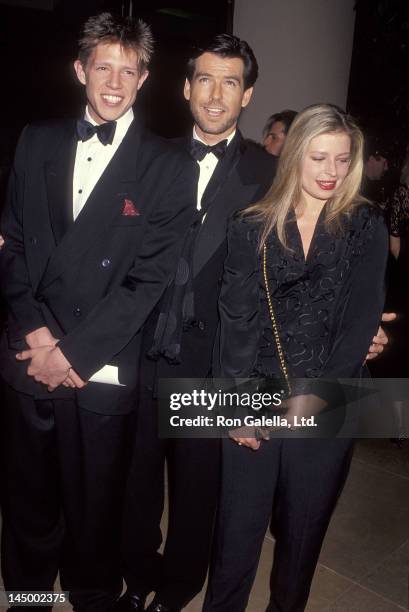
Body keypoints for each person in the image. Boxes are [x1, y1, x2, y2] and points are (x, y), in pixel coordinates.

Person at [0, 12, 196, 612]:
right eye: (103, 67)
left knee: (96, 509)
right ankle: (30, 599)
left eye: (128, 71)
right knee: (28, 503)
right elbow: (11, 242)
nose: (114, 82)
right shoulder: (38, 138)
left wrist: (72, 353)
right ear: (80, 69)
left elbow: (148, 280)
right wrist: (37, 333)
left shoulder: (169, 165)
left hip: (101, 364)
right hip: (29, 352)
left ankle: (92, 600)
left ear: (144, 80)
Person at [203, 104, 389, 612]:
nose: (330, 171)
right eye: (318, 157)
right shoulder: (251, 225)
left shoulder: (366, 225)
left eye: (342, 159)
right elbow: (236, 320)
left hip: (332, 398)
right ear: (294, 157)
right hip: (256, 390)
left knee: (302, 536)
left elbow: (360, 322)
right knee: (236, 534)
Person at [116, 34, 277, 612]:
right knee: (134, 482)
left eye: (230, 82)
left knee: (196, 490)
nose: (215, 94)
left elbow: (295, 263)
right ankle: (135, 578)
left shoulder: (269, 172)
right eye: (205, 79)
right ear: (186, 88)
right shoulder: (145, 157)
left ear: (247, 94)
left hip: (213, 360)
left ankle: (178, 587)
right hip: (138, 349)